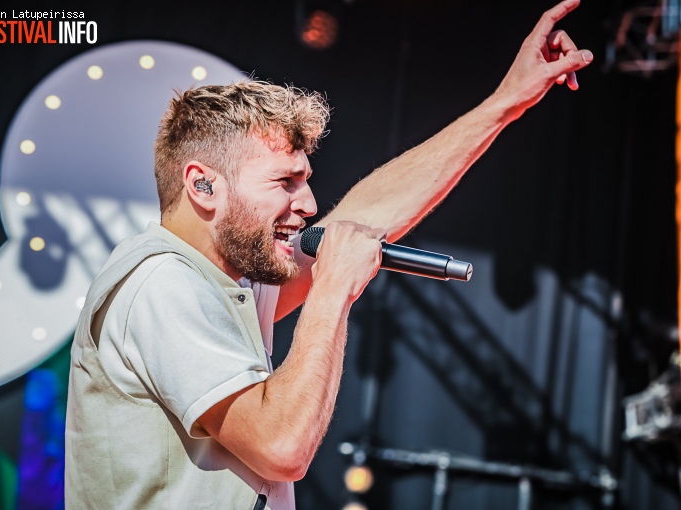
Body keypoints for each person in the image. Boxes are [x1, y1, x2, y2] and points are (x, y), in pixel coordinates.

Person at [64, 0, 593, 508]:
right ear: (203, 187)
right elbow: (281, 447)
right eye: (285, 182)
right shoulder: (163, 283)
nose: (309, 204)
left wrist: (505, 103)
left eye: (306, 181)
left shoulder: (228, 276)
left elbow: (368, 212)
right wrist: (334, 289)